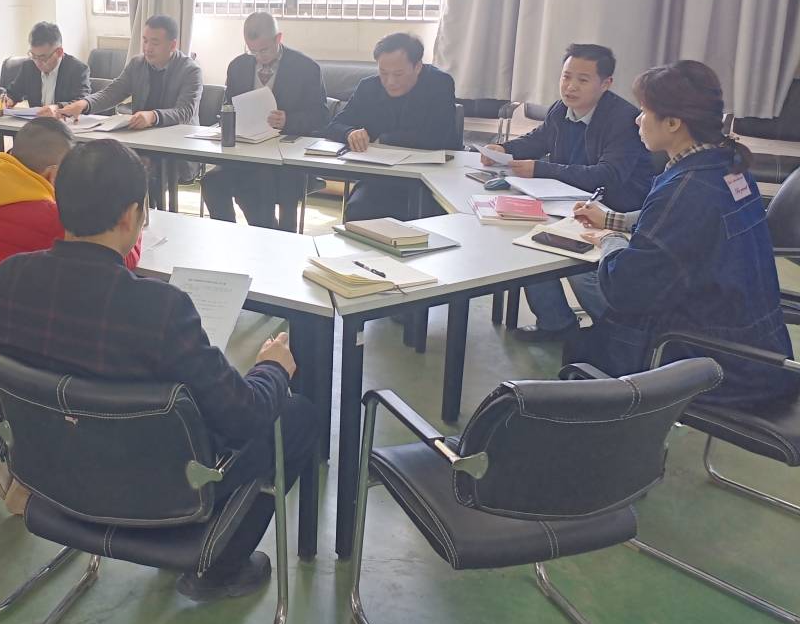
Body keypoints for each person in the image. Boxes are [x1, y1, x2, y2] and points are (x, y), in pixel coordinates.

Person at [0, 140, 317, 601]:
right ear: (131, 215)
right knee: (297, 414)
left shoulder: (7, 279)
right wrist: (272, 370)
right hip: (158, 493)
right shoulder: (160, 308)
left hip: (51, 478)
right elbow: (244, 417)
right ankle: (219, 567)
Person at [569, 61, 799, 408]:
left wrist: (608, 240)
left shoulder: (685, 188)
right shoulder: (729, 166)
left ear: (673, 123)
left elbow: (623, 290)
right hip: (761, 351)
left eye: (644, 111)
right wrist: (612, 220)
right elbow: (690, 225)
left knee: (581, 345)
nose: (637, 120)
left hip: (714, 365)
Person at [483, 44, 654, 342]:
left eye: (583, 80)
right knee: (526, 241)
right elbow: (538, 140)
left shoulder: (622, 120)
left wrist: (542, 169)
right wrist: (503, 149)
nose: (570, 86)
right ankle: (557, 324)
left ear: (606, 83)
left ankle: (617, 335)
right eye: (566, 77)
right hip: (568, 205)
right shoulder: (561, 109)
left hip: (613, 212)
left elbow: (608, 175)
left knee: (577, 267)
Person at [0, 117, 141, 314]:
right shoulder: (53, 218)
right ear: (54, 175)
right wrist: (132, 216)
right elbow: (115, 260)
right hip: (2, 333)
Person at [202, 13, 329, 231]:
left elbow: (321, 117)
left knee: (257, 184)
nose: (259, 57)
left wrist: (288, 120)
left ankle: (268, 236)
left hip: (286, 160)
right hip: (244, 153)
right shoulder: (238, 66)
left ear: (278, 38)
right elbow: (228, 105)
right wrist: (229, 121)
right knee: (211, 182)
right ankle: (228, 235)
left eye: (264, 50)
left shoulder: (306, 68)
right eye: (253, 51)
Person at [57, 14, 203, 201]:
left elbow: (185, 111)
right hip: (140, 142)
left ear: (172, 45)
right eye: (145, 40)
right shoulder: (137, 64)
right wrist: (84, 104)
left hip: (176, 150)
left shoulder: (191, 70)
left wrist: (153, 116)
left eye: (155, 42)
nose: (147, 48)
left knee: (136, 173)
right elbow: (113, 92)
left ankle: (142, 214)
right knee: (103, 165)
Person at [325, 33, 458, 221]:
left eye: (398, 74)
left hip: (429, 179)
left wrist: (384, 139)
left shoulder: (439, 84)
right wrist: (350, 133)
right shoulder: (369, 87)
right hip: (380, 178)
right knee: (358, 211)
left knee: (423, 219)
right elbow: (334, 125)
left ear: (418, 66)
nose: (390, 82)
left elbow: (437, 137)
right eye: (383, 72)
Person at [4, 21, 91, 112]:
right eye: (33, 56)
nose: (37, 63)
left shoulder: (78, 69)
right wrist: (9, 100)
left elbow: (81, 102)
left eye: (43, 58)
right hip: (36, 120)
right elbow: (13, 93)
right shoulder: (28, 66)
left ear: (59, 52)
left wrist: (58, 107)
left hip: (63, 120)